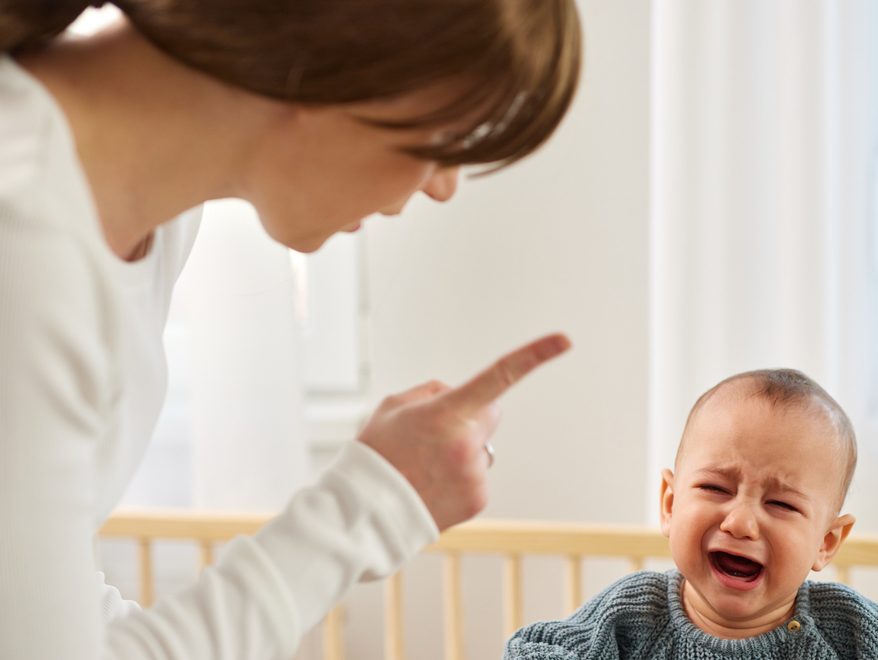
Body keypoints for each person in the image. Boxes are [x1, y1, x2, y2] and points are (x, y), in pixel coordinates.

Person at [0, 0, 580, 658]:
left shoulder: (142, 219)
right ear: (336, 61)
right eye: (448, 142)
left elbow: (46, 617)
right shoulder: (22, 240)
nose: (443, 187)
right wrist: (372, 502)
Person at [505, 369, 878, 659]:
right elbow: (533, 649)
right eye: (716, 487)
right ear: (671, 503)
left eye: (780, 504)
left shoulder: (845, 628)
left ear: (826, 542)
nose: (739, 522)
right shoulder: (634, 614)